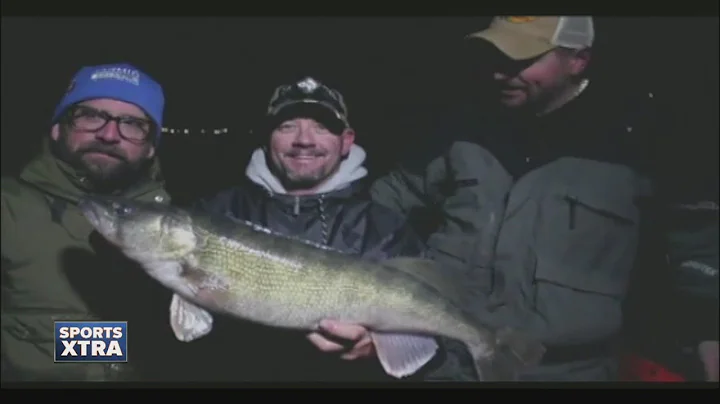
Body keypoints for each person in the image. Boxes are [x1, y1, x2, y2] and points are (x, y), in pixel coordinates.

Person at [367, 16, 718, 381]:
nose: (500, 74)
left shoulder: (637, 143)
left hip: (568, 369)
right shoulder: (462, 129)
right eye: (495, 58)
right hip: (447, 360)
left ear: (578, 60)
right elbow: (381, 207)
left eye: (521, 61)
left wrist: (710, 336)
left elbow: (696, 247)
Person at [189, 76, 427, 381]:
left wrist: (374, 350)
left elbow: (432, 342)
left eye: (322, 126)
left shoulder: (384, 229)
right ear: (266, 137)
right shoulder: (214, 214)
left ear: (346, 141)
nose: (304, 140)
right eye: (286, 126)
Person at [1, 63, 180, 381]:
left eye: (133, 124)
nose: (109, 134)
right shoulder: (8, 209)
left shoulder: (185, 229)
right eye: (90, 116)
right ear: (57, 128)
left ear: (151, 146)